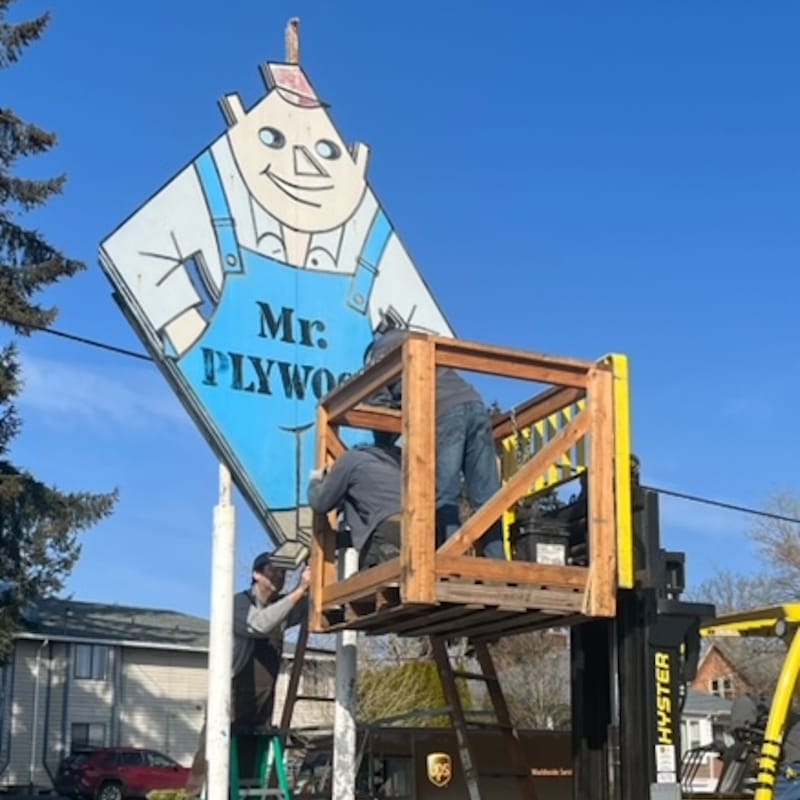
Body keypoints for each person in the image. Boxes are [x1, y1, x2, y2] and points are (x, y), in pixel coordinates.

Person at [365, 328, 504, 558]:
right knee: (486, 495)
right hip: (475, 404)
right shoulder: (415, 341)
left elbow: (378, 408)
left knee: (445, 494)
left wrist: (383, 448)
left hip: (443, 410)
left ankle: (450, 559)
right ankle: (497, 562)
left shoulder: (379, 356)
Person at [186, 554, 311, 797]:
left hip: (262, 701)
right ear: (256, 574)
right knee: (211, 758)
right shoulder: (237, 604)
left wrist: (314, 577)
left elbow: (305, 607)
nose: (280, 577)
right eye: (274, 571)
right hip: (230, 698)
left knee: (251, 764)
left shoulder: (281, 607)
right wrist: (300, 590)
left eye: (284, 573)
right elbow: (260, 624)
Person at [307, 437, 403, 568]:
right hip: (420, 530)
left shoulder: (352, 459)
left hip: (386, 533)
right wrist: (337, 540)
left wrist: (316, 480)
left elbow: (320, 502)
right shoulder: (399, 463)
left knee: (369, 584)